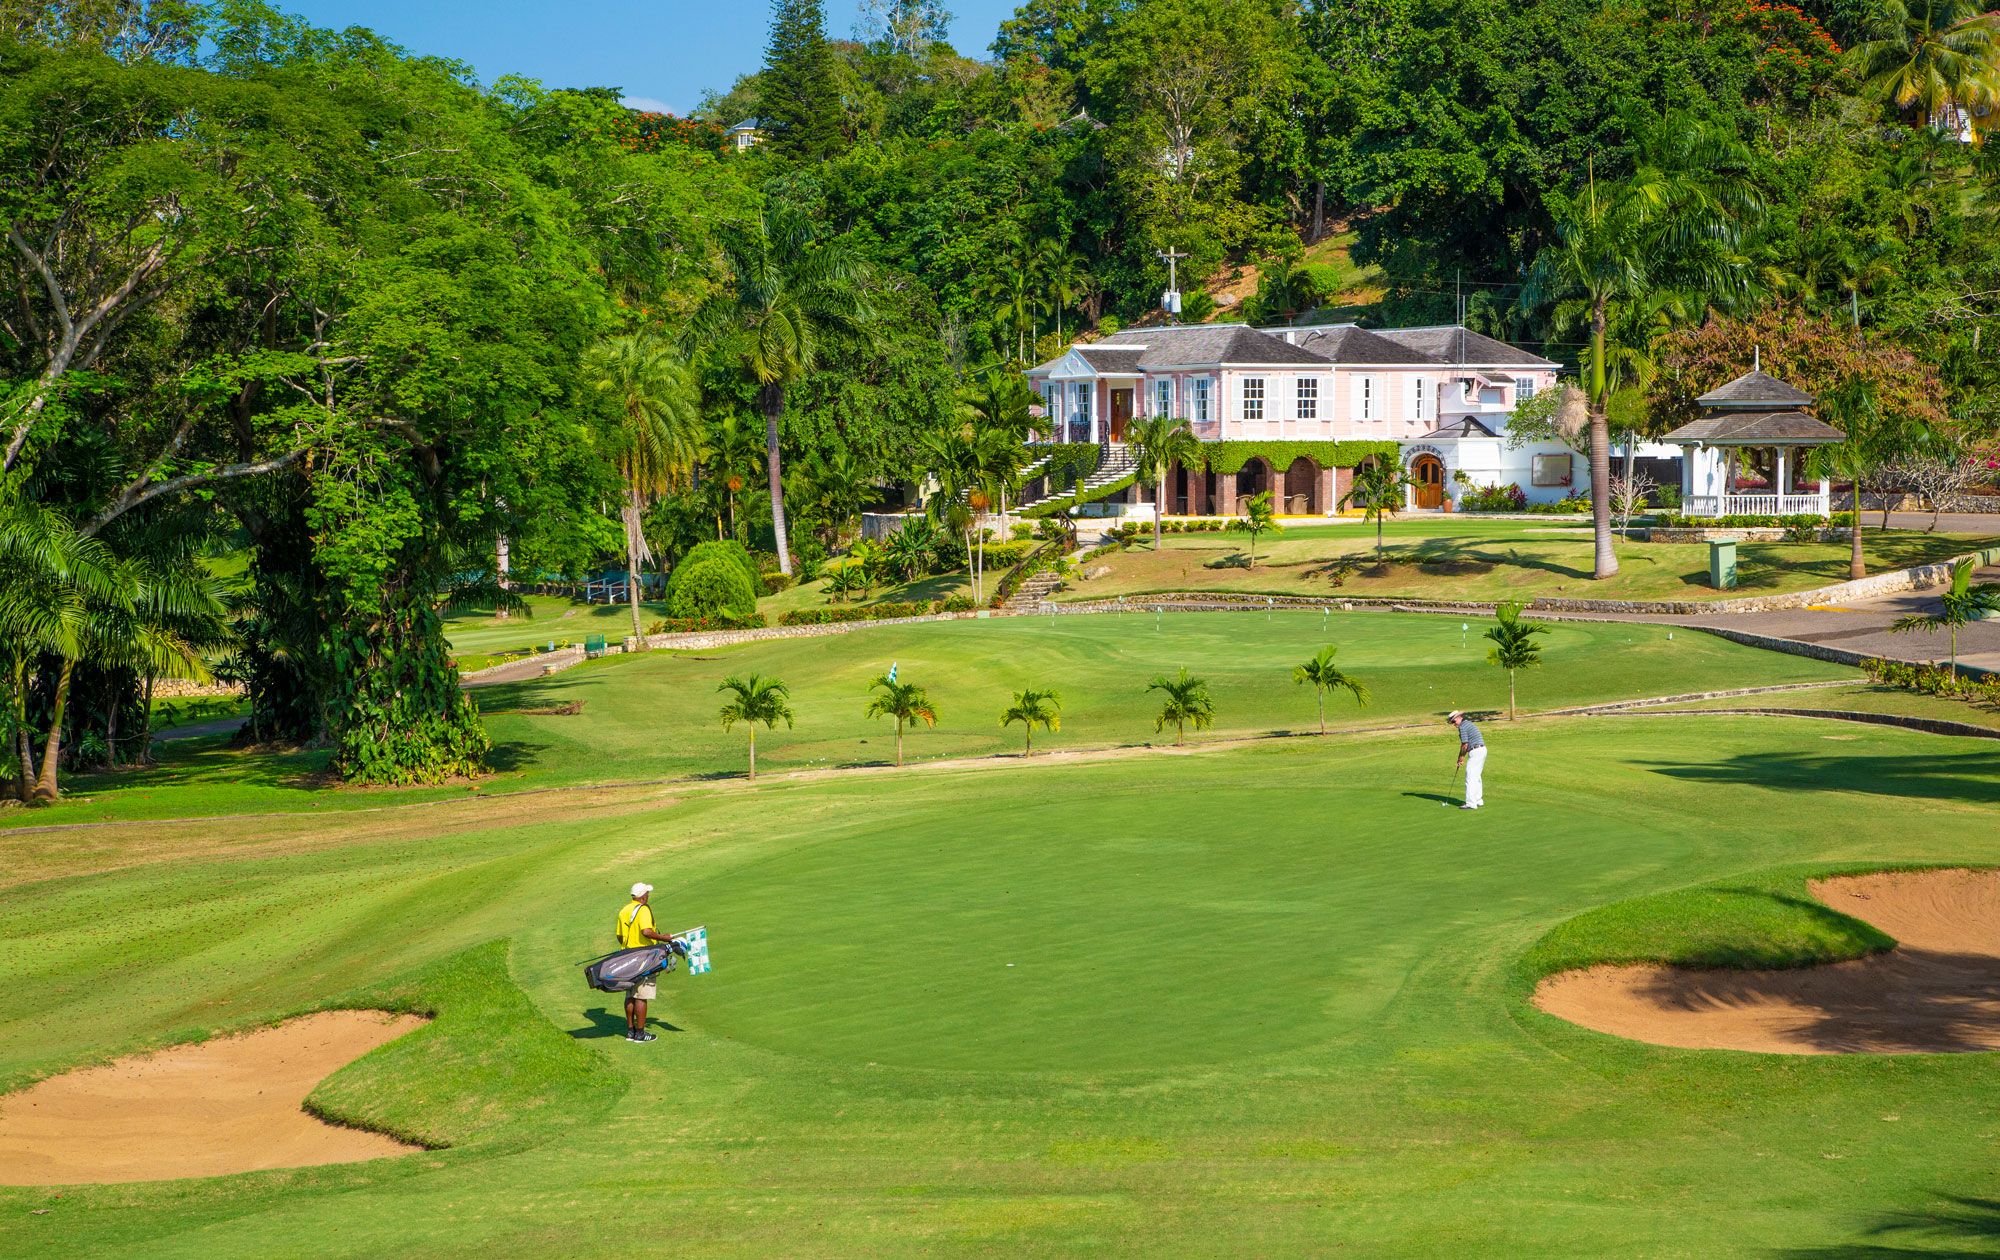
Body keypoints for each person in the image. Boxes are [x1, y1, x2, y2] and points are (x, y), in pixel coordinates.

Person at [616, 882, 674, 1043]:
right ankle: (640, 1034)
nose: (648, 896)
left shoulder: (624, 910)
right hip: (644, 956)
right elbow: (646, 931)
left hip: (626, 955)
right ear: (642, 896)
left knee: (630, 994)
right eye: (647, 893)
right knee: (641, 995)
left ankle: (630, 1031)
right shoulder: (643, 909)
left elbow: (620, 936)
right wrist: (665, 938)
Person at [1448, 711, 1486, 810]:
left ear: (1459, 717)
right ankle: (1478, 800)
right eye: (1452, 722)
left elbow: (1464, 744)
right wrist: (1462, 757)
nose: (1453, 724)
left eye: (1454, 721)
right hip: (1481, 750)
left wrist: (1461, 758)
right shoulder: (1468, 723)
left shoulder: (1462, 727)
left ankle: (1471, 803)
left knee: (1470, 777)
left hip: (1476, 751)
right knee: (1476, 776)